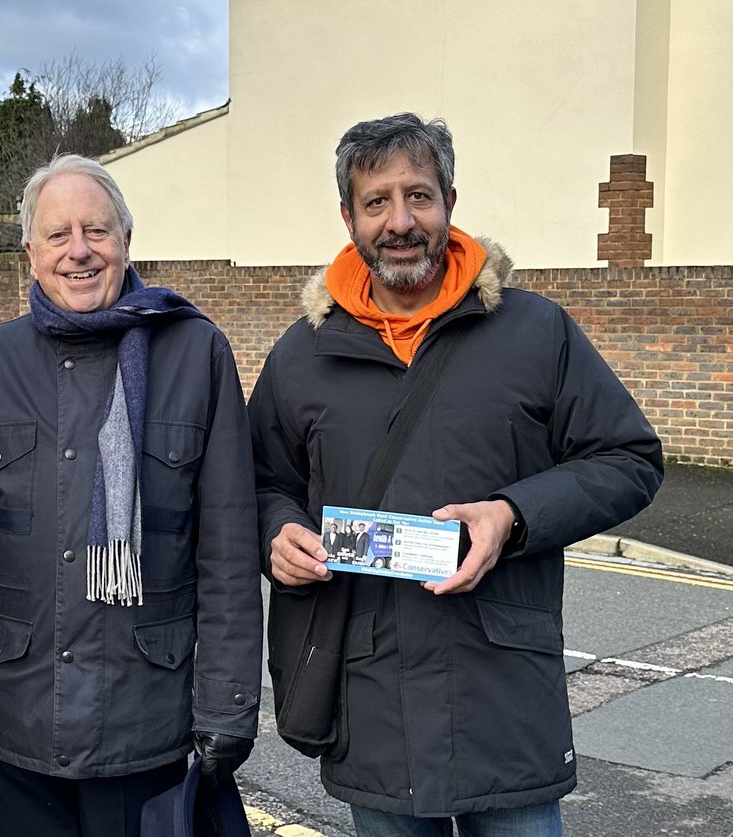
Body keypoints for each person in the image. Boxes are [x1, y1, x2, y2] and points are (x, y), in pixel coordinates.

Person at [249, 113, 662, 836]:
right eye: (377, 201)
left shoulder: (537, 332)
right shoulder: (301, 355)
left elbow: (628, 458)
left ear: (451, 202)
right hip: (367, 688)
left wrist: (513, 514)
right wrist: (276, 532)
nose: (400, 220)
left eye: (419, 195)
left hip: (502, 693)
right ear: (348, 216)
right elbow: (260, 481)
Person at [0, 154, 262, 837]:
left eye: (97, 230)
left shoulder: (196, 353)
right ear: (29, 250)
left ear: (128, 240)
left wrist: (227, 708)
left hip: (147, 724)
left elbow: (227, 550)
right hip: (18, 723)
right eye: (59, 233)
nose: (80, 250)